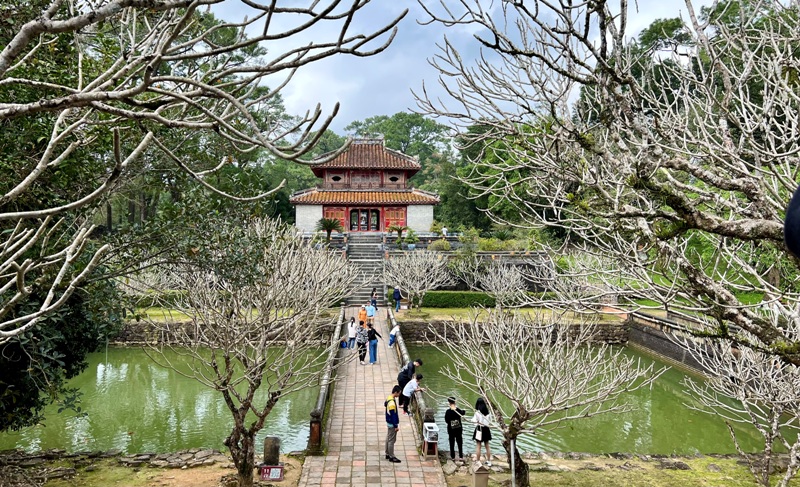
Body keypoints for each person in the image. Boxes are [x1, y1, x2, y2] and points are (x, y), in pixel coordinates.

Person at [471, 397, 493, 466]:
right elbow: (490, 421)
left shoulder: (477, 412)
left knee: (478, 445)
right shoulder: (488, 412)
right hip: (486, 429)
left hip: (479, 429)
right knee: (487, 445)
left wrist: (477, 421)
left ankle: (478, 461)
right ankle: (489, 461)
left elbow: (474, 421)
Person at [384, 385, 402, 463]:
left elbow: (385, 404)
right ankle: (391, 456)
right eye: (399, 393)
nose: (399, 395)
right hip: (392, 423)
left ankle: (387, 453)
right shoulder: (392, 403)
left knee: (388, 438)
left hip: (388, 421)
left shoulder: (389, 398)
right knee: (391, 440)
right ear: (396, 392)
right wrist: (396, 426)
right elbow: (393, 415)